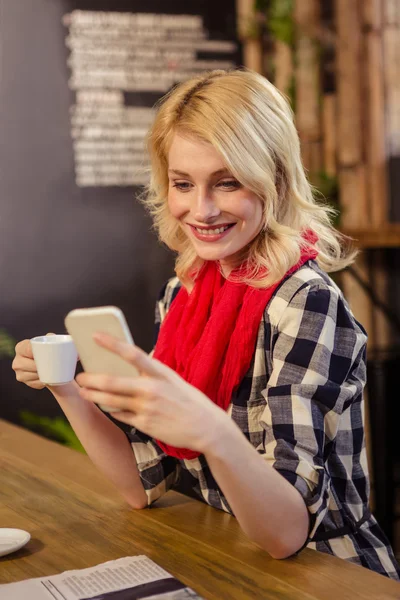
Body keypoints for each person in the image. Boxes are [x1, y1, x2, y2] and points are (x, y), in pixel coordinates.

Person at [13, 68, 400, 580]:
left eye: (228, 182)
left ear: (275, 179)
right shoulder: (185, 291)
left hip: (331, 575)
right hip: (227, 554)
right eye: (183, 184)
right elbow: (139, 485)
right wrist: (65, 386)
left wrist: (213, 431)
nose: (202, 209)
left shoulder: (307, 302)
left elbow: (287, 535)